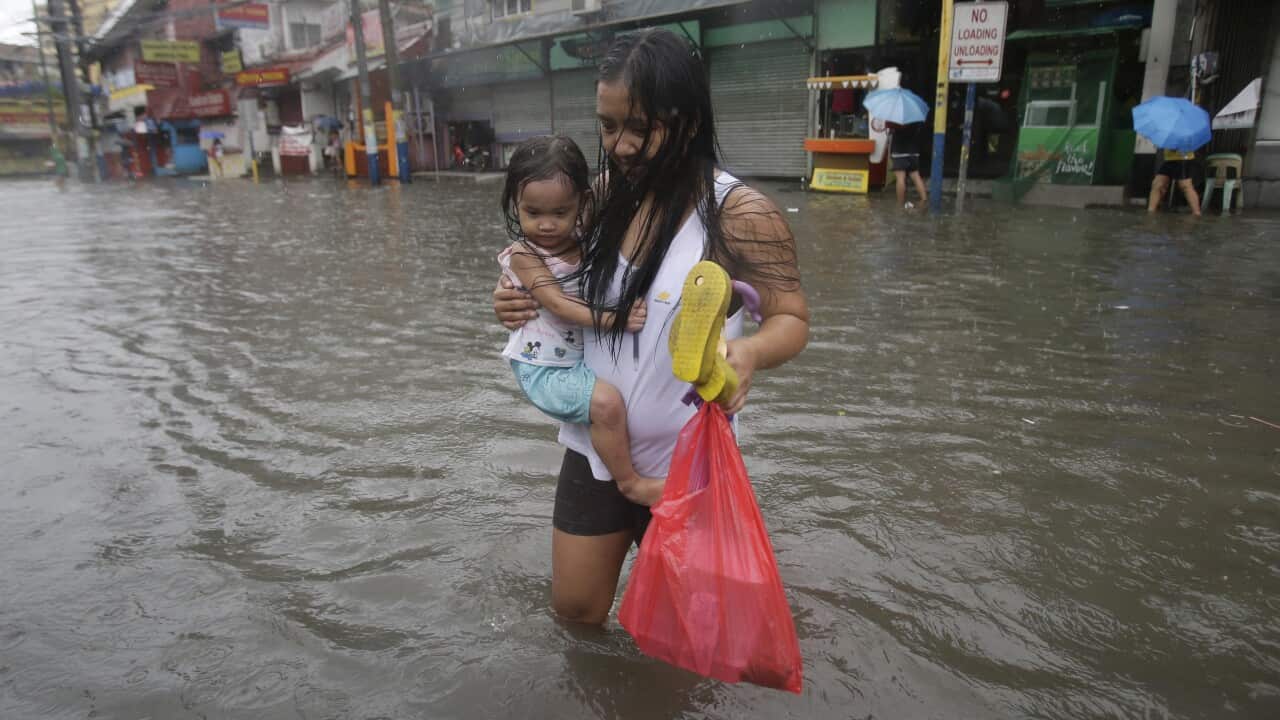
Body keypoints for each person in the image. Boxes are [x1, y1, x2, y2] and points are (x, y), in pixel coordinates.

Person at [492, 29, 809, 626]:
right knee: (576, 613)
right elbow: (546, 259)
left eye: (640, 127)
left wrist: (750, 356)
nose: (621, 145)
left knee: (693, 632)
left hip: (685, 466)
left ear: (686, 120)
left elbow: (791, 318)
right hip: (596, 448)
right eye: (608, 127)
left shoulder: (741, 214)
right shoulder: (606, 197)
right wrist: (509, 297)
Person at [499, 134, 657, 497]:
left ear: (582, 205)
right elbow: (556, 303)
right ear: (515, 205)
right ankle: (630, 483)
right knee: (606, 404)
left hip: (575, 362)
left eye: (560, 213)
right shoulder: (524, 255)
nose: (546, 226)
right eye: (532, 213)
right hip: (543, 368)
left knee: (615, 404)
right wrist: (613, 319)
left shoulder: (586, 238)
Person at [1148, 148, 1202, 217]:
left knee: (1185, 186)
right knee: (1157, 184)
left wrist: (1176, 147)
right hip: (1169, 160)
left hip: (1183, 159)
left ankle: (1196, 213)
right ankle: (1151, 211)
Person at [887, 120, 928, 209]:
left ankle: (900, 203)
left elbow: (890, 132)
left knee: (900, 178)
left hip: (899, 151)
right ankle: (924, 199)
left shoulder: (896, 119)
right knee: (916, 176)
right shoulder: (916, 119)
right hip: (913, 151)